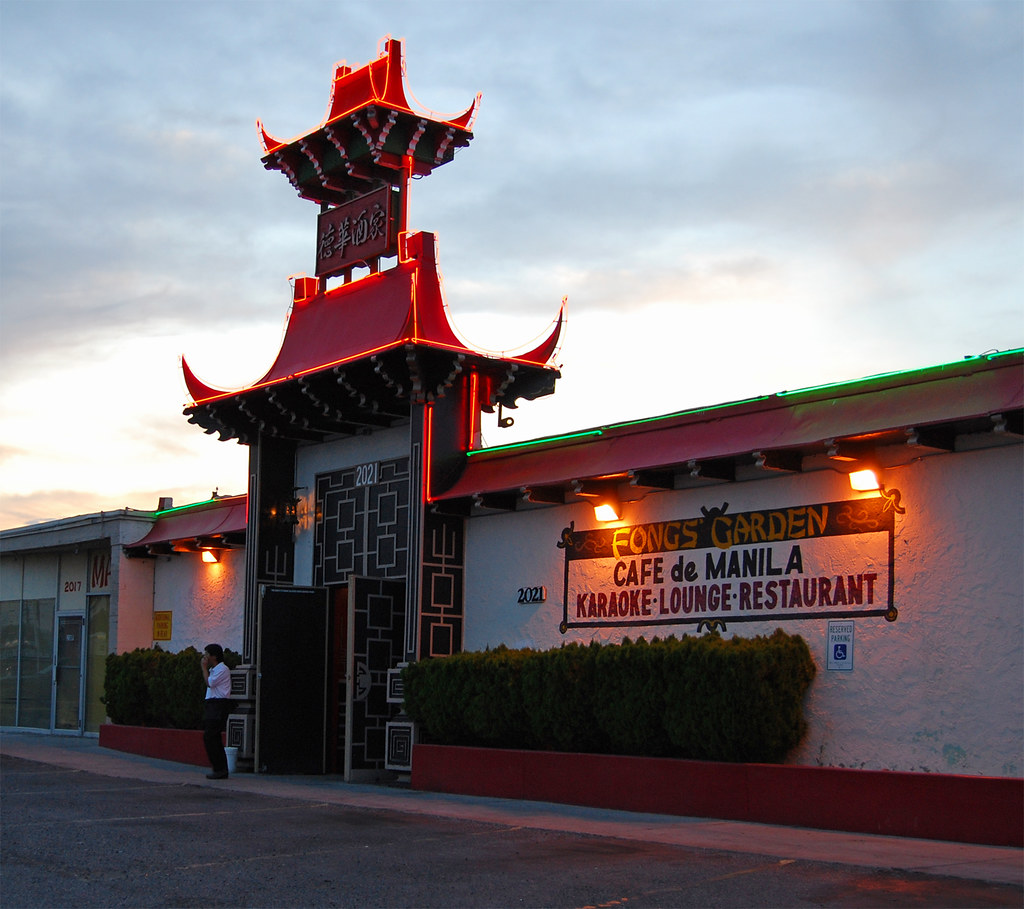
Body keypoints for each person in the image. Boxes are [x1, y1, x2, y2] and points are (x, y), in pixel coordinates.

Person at [200, 644, 233, 779]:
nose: (205, 656)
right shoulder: (214, 669)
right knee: (211, 737)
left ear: (214, 656)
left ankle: (221, 769)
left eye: (207, 654)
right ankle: (218, 768)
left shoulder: (222, 669)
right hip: (212, 704)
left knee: (212, 736)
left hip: (218, 704)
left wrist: (203, 668)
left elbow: (210, 683)